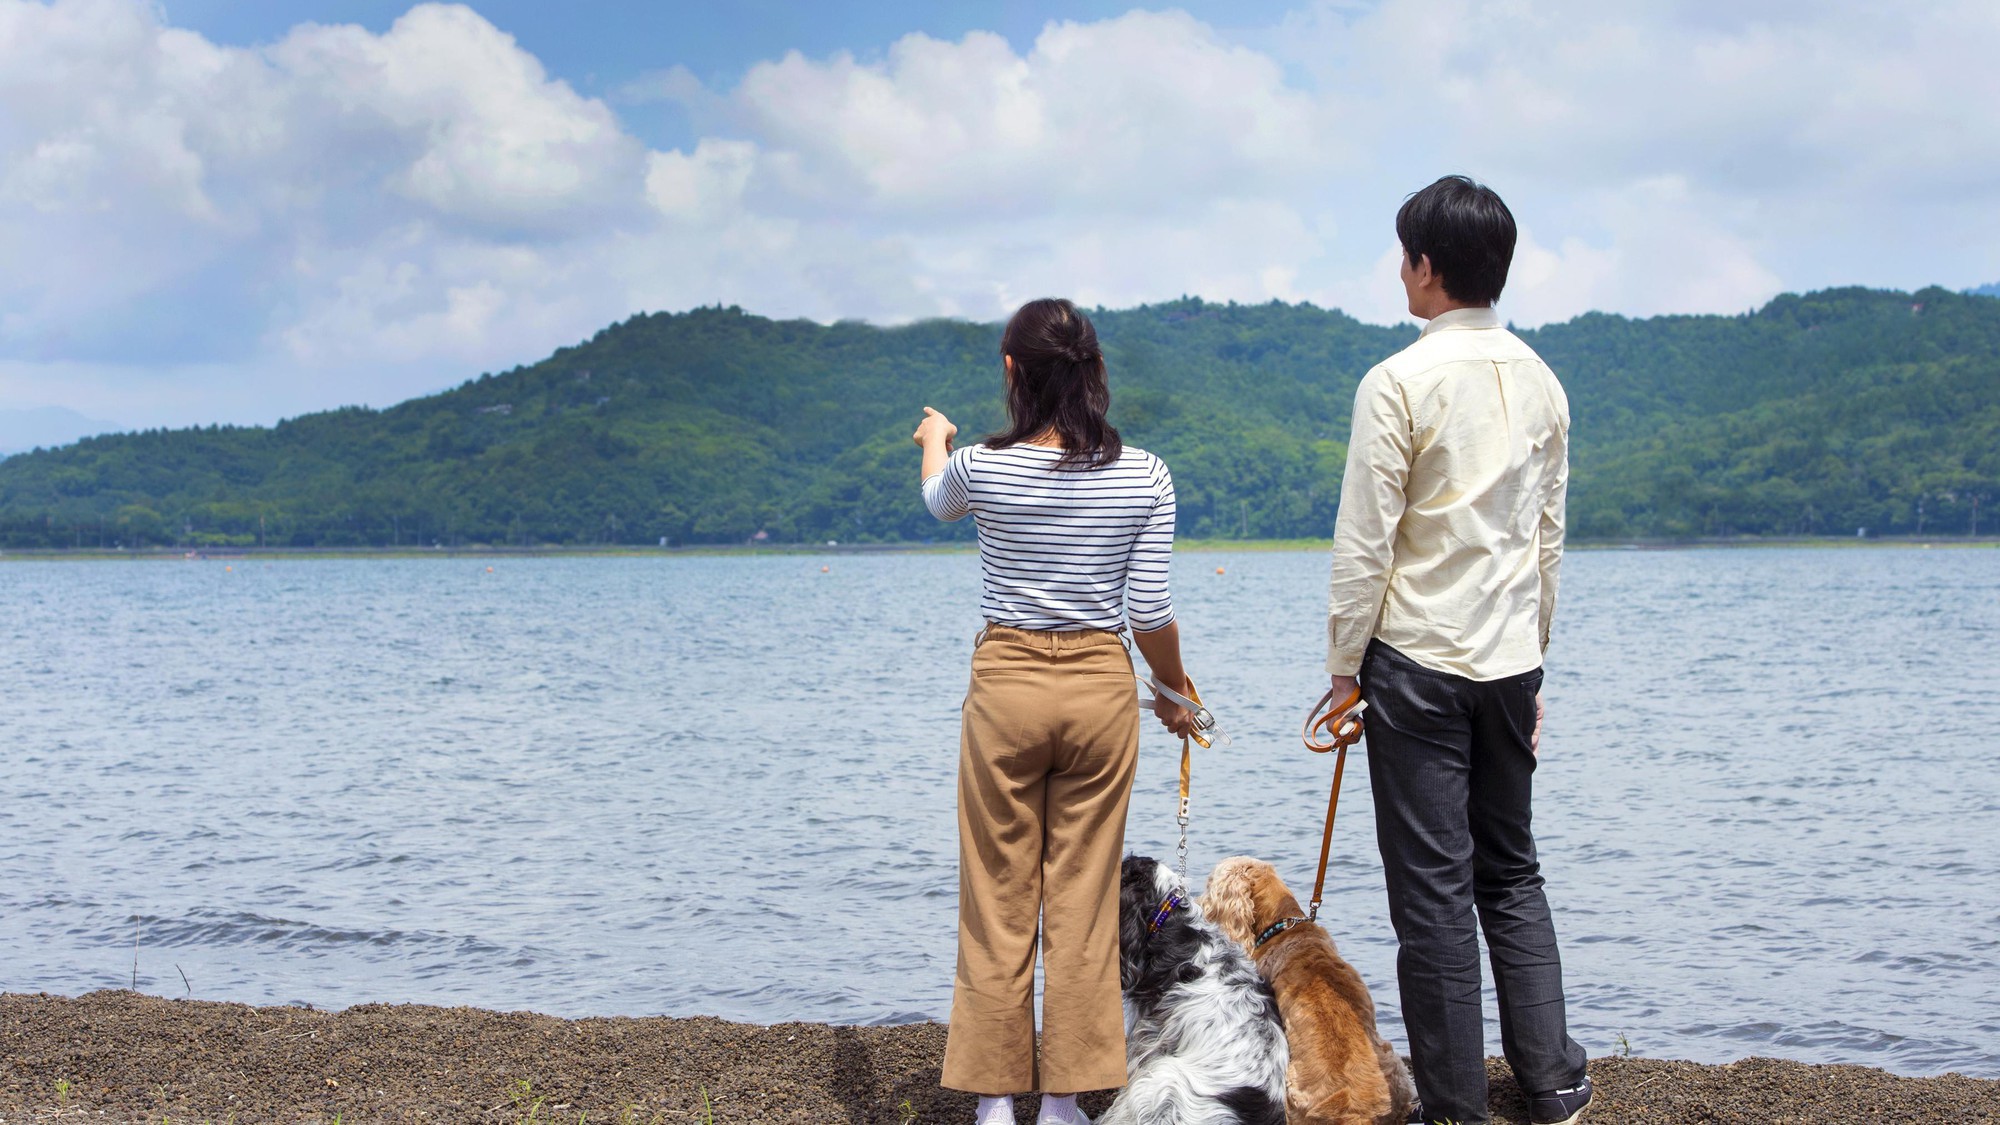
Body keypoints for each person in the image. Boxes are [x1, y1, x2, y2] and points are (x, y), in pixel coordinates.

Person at [1324, 176, 1592, 1125]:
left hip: (1418, 662)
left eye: (1406, 255)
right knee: (1511, 868)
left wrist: (1343, 668)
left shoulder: (1396, 381)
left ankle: (1454, 1108)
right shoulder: (1544, 380)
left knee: (1434, 893)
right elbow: (1545, 539)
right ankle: (1552, 1081)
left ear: (1429, 268)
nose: (1401, 269)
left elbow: (1367, 541)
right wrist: (1536, 663)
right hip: (1510, 660)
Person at [916, 297, 1195, 1125]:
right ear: (1093, 371)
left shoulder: (982, 468)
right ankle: (1069, 1101)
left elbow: (937, 499)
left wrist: (936, 439)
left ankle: (998, 1100)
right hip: (1100, 685)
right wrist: (1178, 693)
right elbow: (1149, 610)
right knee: (1079, 898)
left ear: (1012, 371)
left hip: (1006, 683)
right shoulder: (1145, 473)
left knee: (998, 892)